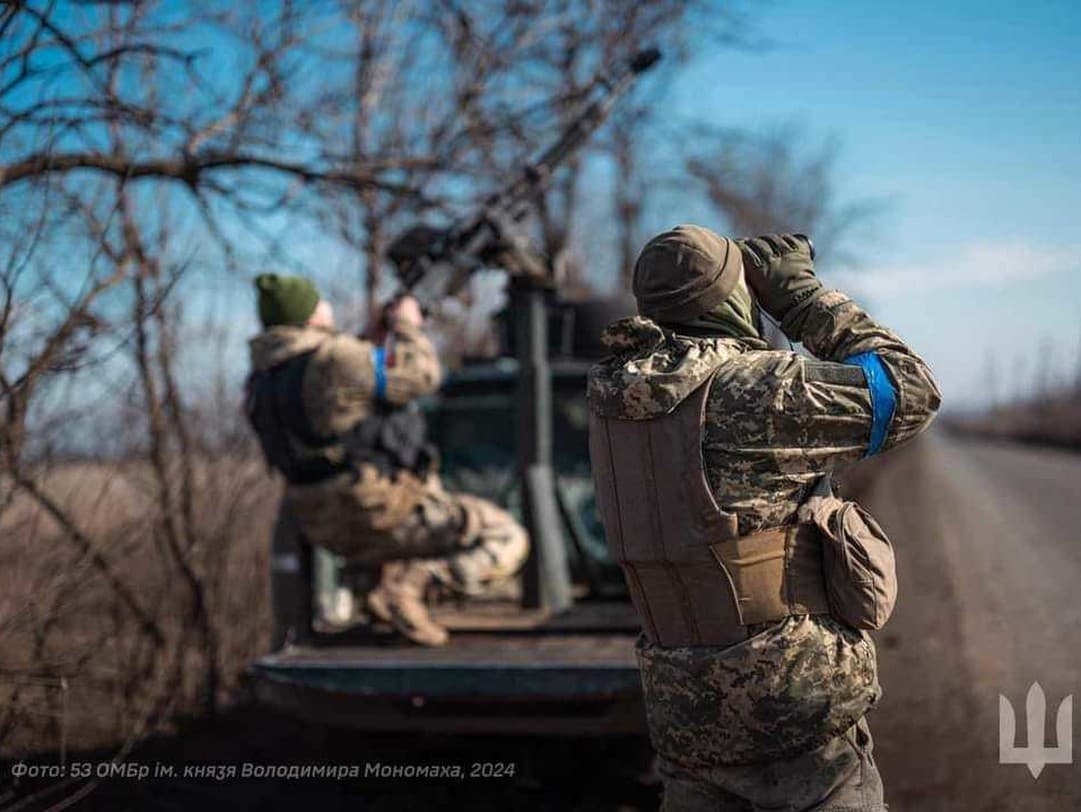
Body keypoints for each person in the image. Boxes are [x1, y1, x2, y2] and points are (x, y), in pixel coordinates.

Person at [587, 227, 941, 811]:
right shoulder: (754, 391)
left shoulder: (611, 395)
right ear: (731, 299)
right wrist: (801, 297)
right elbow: (912, 391)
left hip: (687, 722)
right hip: (797, 719)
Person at [245, 274, 529, 646]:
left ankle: (381, 592)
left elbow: (338, 394)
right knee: (506, 536)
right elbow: (421, 375)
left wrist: (373, 336)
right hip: (378, 510)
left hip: (321, 525)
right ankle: (416, 586)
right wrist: (408, 325)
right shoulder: (337, 359)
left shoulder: (263, 379)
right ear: (310, 314)